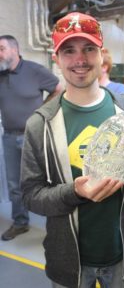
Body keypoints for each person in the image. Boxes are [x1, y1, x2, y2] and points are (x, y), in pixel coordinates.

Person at [21, 12, 124, 288]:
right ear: (56, 58)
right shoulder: (40, 125)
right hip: (70, 261)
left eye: (88, 49)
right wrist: (75, 191)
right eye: (69, 51)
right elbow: (31, 196)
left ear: (101, 54)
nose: (80, 60)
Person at [0, 35, 63, 241]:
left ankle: (57, 225)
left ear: (14, 50)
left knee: (47, 180)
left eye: (1, 48)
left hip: (35, 136)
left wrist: (42, 111)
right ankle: (20, 222)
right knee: (14, 184)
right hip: (9, 137)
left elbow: (58, 89)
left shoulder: (34, 70)